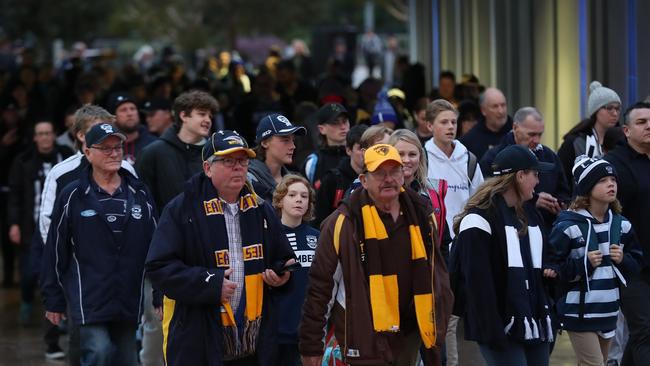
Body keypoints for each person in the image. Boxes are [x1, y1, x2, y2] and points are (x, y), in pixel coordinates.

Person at [145, 130, 296, 365]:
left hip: (254, 345)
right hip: (199, 339)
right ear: (207, 168)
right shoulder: (182, 209)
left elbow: (284, 259)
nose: (238, 167)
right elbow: (158, 267)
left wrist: (282, 275)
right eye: (228, 161)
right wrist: (210, 282)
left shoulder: (261, 208)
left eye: (243, 161)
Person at [300, 144, 453, 366]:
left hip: (411, 333)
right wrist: (311, 344)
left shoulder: (422, 213)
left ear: (403, 175)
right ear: (363, 180)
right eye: (380, 173)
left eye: (394, 171)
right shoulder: (343, 222)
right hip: (363, 334)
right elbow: (320, 287)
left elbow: (435, 272)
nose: (388, 179)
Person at [40, 123, 157, 366]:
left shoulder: (139, 193)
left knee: (128, 360)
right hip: (88, 296)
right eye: (105, 148)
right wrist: (53, 299)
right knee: (99, 352)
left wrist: (159, 293)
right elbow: (55, 249)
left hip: (127, 296)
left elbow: (157, 248)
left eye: (118, 147)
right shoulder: (73, 195)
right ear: (88, 153)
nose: (114, 153)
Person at [452, 144, 556, 366]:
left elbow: (545, 260)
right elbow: (476, 282)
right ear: (520, 176)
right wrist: (491, 329)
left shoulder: (531, 214)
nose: (538, 182)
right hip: (498, 323)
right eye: (535, 174)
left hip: (534, 318)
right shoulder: (478, 219)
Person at [136, 89, 219, 365]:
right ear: (183, 115)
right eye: (201, 114)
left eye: (210, 115)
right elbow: (144, 207)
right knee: (156, 325)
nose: (208, 120)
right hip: (162, 252)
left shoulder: (213, 155)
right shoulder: (154, 153)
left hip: (205, 254)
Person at [548, 156, 643, 366]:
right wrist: (584, 263)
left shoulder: (622, 225)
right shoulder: (568, 226)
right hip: (579, 313)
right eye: (602, 180)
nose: (611, 184)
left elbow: (637, 263)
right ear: (587, 187)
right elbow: (552, 267)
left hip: (609, 311)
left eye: (613, 179)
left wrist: (623, 260)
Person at [7, 120, 73, 358]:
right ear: (35, 137)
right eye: (40, 134)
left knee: (57, 281)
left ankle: (57, 329)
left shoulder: (67, 157)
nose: (45, 138)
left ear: (55, 135)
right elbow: (14, 194)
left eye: (48, 133)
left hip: (63, 228)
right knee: (29, 274)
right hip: (31, 229)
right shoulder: (23, 161)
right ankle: (26, 302)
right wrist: (13, 223)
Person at [604, 102, 650, 365]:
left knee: (641, 335)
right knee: (644, 330)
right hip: (629, 263)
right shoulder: (614, 165)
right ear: (626, 130)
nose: (649, 126)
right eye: (641, 122)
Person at [480, 107, 570, 231]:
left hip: (546, 230)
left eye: (540, 134)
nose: (537, 140)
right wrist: (533, 201)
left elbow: (564, 192)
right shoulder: (493, 158)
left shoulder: (549, 156)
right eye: (531, 134)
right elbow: (488, 198)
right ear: (515, 128)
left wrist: (558, 204)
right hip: (508, 228)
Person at [271, 174, 320, 365]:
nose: (299, 199)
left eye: (304, 196)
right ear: (280, 200)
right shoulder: (269, 235)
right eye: (292, 195)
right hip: (277, 328)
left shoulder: (318, 237)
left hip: (309, 329)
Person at [424, 99, 483, 238]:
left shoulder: (469, 160)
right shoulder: (421, 159)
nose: (450, 127)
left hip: (464, 238)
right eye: (444, 122)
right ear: (429, 125)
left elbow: (480, 201)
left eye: (453, 122)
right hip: (433, 239)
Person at [558, 81, 621, 191]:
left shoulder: (623, 141)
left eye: (617, 108)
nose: (615, 113)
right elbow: (561, 177)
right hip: (579, 203)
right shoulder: (575, 142)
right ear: (595, 111)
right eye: (609, 108)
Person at [313, 124, 367, 228]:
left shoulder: (377, 178)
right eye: (360, 148)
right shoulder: (332, 180)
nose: (365, 153)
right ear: (348, 150)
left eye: (369, 147)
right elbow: (319, 221)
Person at [247, 113, 306, 200]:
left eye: (293, 140)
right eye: (285, 140)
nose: (293, 146)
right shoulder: (248, 180)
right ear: (264, 143)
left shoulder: (296, 180)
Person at [303, 103, 350, 189]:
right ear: (322, 129)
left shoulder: (359, 155)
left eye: (345, 121)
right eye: (335, 123)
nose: (343, 127)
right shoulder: (313, 162)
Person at [459, 87, 513, 159]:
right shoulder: (470, 140)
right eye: (495, 106)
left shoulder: (517, 132)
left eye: (503, 105)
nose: (501, 111)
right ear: (483, 110)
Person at [106, 92, 157, 165]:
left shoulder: (153, 144)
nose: (130, 113)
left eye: (132, 109)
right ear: (114, 117)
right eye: (123, 110)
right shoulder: (108, 146)